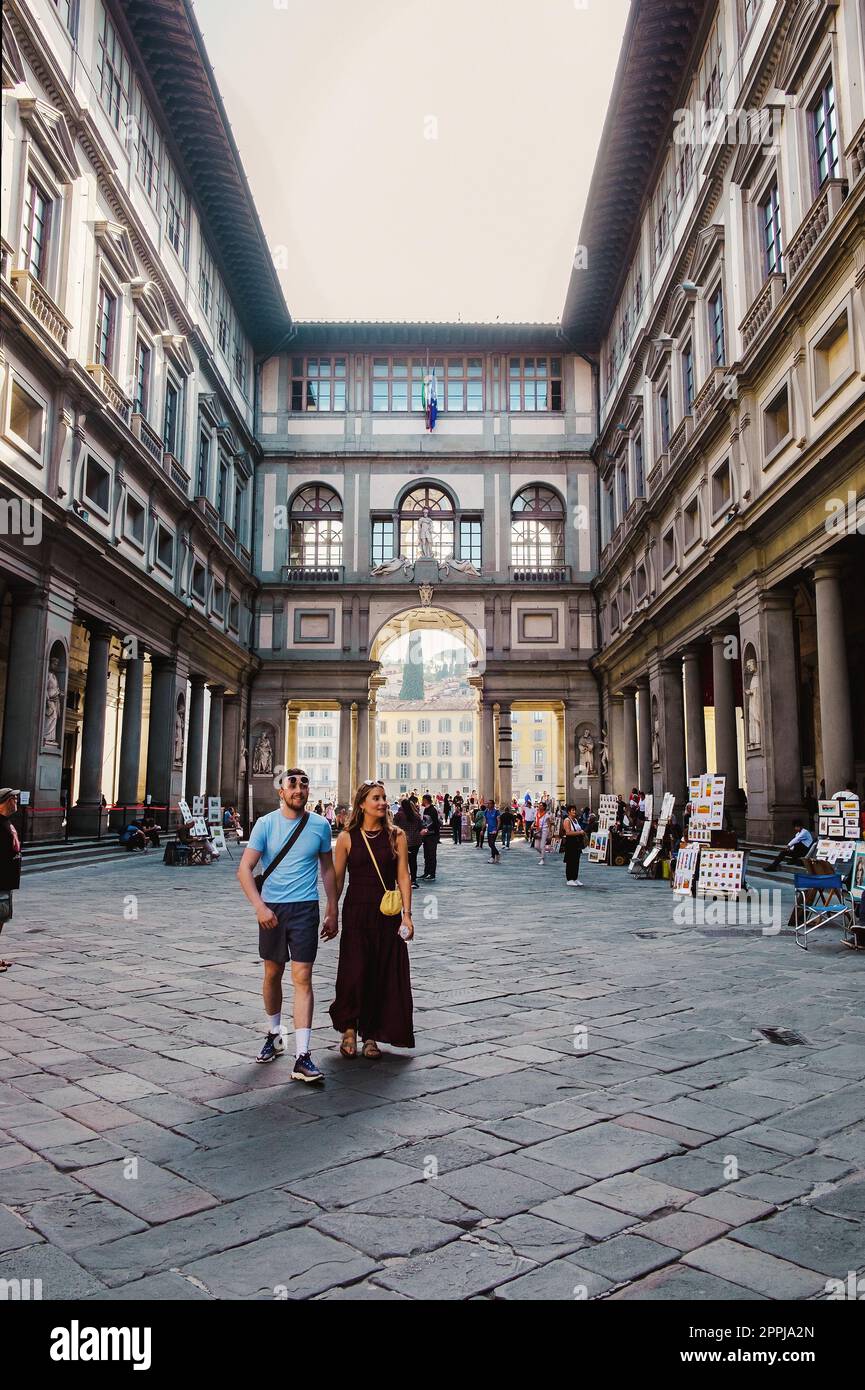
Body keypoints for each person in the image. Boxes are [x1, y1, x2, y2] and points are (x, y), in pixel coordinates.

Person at [237, 768, 337, 1080]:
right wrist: (259, 907)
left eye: (304, 783)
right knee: (272, 973)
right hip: (273, 909)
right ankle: (274, 1032)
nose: (298, 789)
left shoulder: (320, 825)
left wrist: (333, 908)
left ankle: (303, 1054)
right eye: (292, 784)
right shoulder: (266, 824)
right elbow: (244, 869)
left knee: (303, 976)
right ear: (281, 791)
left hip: (305, 908)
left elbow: (328, 870)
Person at [330, 780, 414, 1058]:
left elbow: (403, 875)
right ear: (362, 804)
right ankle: (349, 1029)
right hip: (356, 910)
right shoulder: (346, 838)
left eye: (384, 798)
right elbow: (337, 881)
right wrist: (331, 911)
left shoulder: (396, 836)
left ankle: (371, 1034)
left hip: (386, 913)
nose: (382, 803)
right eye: (376, 798)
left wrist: (408, 916)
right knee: (354, 972)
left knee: (381, 972)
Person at [0, 789, 22, 973]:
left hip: (8, 880)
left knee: (1, 920)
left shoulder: (7, 822)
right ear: (3, 802)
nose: (16, 801)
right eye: (12, 798)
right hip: (1, 880)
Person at [394, 797, 423, 887]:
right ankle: (413, 880)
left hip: (403, 841)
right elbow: (420, 827)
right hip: (415, 841)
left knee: (402, 861)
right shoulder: (416, 815)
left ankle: (402, 880)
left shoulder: (399, 815)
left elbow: (394, 826)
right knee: (413, 861)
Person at [561, 804, 585, 886]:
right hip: (570, 842)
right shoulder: (567, 820)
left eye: (575, 810)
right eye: (572, 810)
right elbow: (568, 832)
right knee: (570, 861)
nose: (574, 811)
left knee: (576, 861)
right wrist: (579, 832)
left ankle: (575, 878)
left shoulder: (576, 820)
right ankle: (569, 878)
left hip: (577, 843)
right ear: (568, 812)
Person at [420, 793, 440, 880]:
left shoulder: (433, 810)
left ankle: (432, 873)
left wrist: (427, 829)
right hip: (426, 836)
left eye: (422, 800)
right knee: (426, 855)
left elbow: (436, 823)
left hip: (432, 835)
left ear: (425, 800)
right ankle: (426, 872)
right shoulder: (425, 810)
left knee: (432, 855)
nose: (421, 801)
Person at [484, 799, 501, 863]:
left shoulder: (496, 812)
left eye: (489, 803)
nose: (488, 805)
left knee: (492, 843)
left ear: (493, 804)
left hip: (494, 829)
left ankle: (492, 857)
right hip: (489, 829)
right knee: (490, 844)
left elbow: (499, 821)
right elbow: (485, 821)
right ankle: (497, 853)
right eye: (487, 803)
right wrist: (482, 830)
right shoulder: (486, 811)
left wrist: (497, 829)